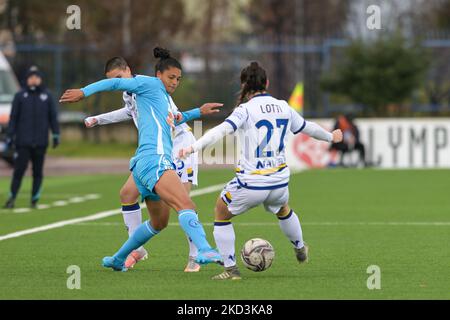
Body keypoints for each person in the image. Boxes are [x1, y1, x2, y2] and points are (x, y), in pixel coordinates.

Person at [60, 48, 223, 272]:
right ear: (159, 76)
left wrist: (199, 111)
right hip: (155, 160)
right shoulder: (148, 84)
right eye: (171, 77)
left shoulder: (158, 95)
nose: (175, 82)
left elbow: (177, 118)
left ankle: (119, 258)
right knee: (185, 204)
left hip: (144, 163)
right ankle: (202, 250)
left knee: (159, 221)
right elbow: (116, 85)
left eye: (178, 79)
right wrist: (84, 92)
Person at [179, 62, 343, 280]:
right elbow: (307, 127)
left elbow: (220, 131)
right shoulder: (283, 106)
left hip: (252, 183)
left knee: (221, 212)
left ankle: (231, 270)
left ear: (244, 85)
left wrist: (193, 147)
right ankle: (300, 247)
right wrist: (332, 136)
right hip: (279, 183)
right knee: (283, 209)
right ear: (267, 83)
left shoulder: (245, 110)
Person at [3, 66, 60, 209]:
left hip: (40, 142)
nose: (34, 80)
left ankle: (34, 199)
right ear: (27, 79)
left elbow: (53, 118)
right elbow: (13, 118)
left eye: (36, 77)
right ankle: (11, 198)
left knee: (37, 172)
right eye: (31, 77)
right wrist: (10, 136)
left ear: (40, 79)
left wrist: (55, 135)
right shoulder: (20, 96)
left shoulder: (47, 96)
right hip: (23, 142)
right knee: (18, 171)